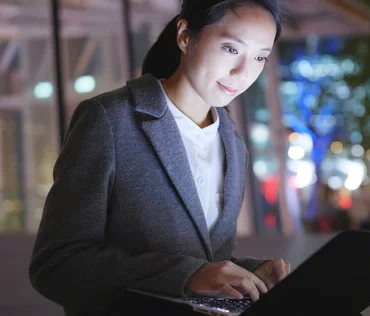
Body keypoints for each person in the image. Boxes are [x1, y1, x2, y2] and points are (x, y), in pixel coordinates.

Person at [29, 1, 291, 315]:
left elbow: (201, 259)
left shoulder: (232, 141)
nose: (242, 73)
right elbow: (56, 265)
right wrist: (187, 275)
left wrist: (251, 273)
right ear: (185, 36)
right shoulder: (110, 120)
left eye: (260, 57)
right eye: (231, 49)